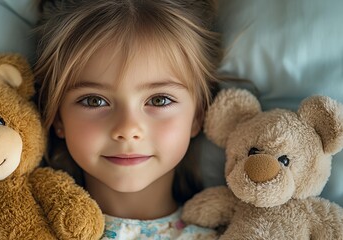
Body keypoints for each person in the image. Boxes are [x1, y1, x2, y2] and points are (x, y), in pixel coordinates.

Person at [35, 0, 221, 239]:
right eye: (94, 101)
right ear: (58, 117)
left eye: (159, 100)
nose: (127, 129)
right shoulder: (24, 227)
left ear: (197, 115)